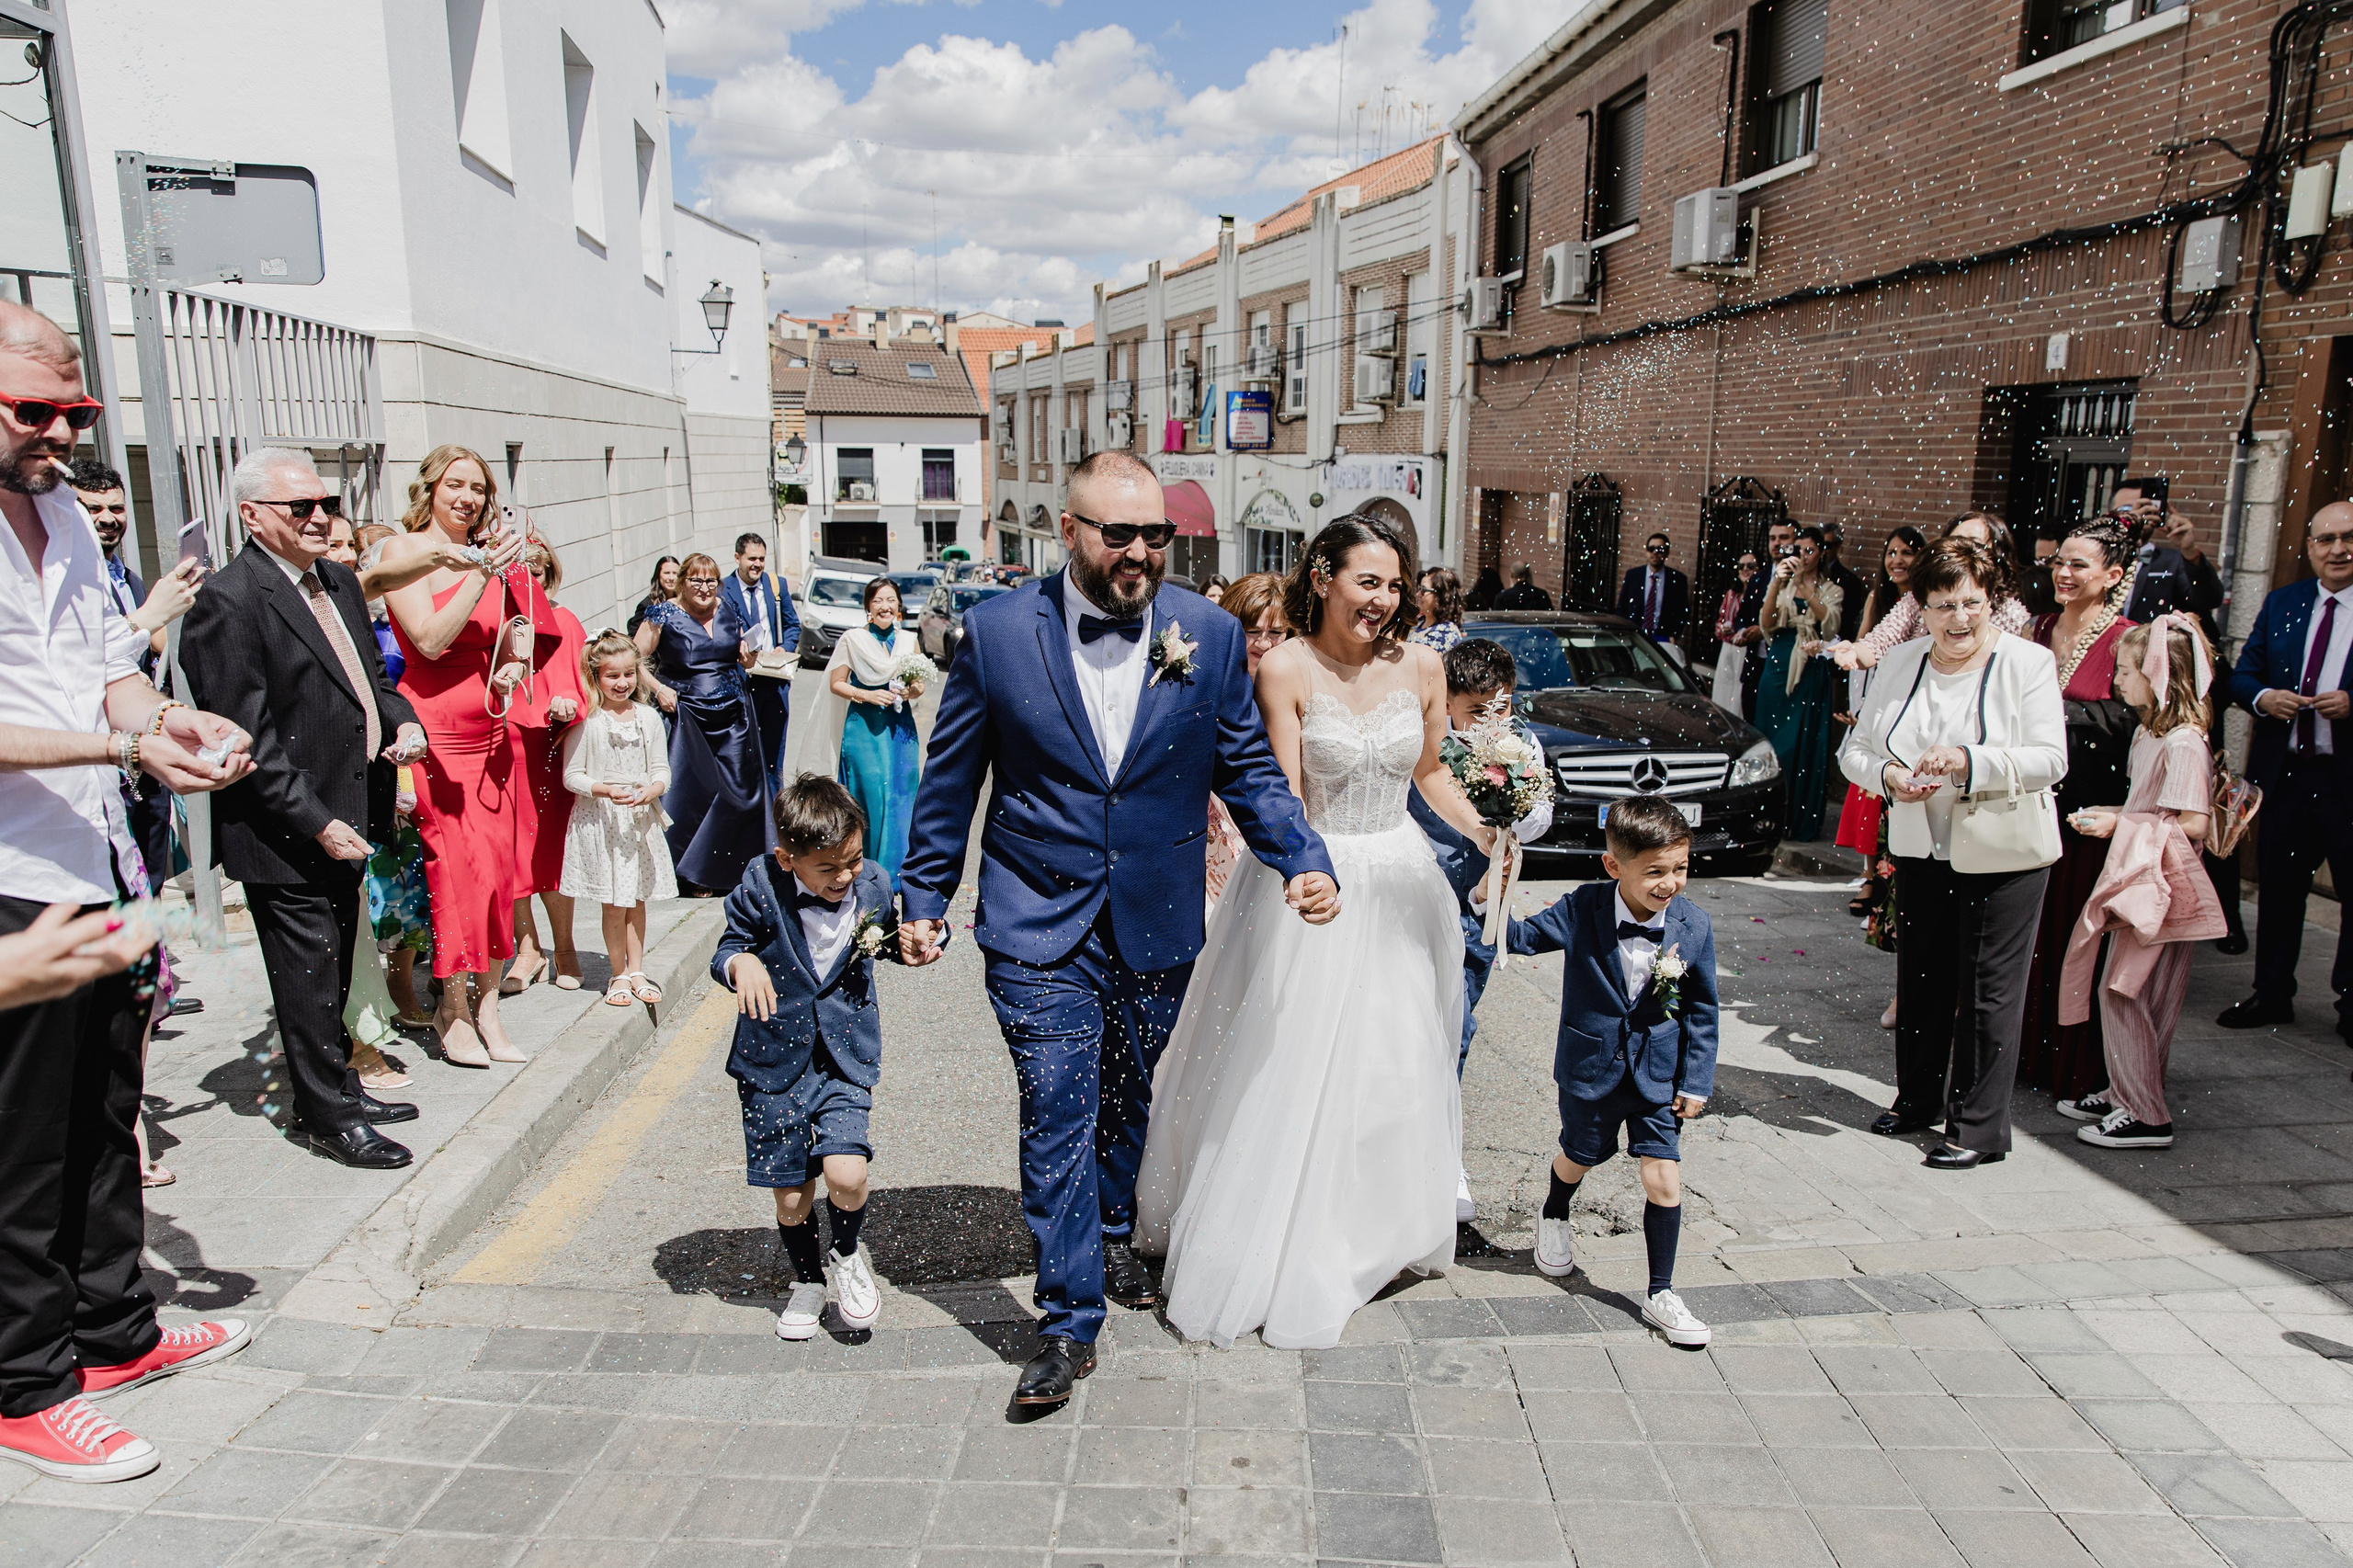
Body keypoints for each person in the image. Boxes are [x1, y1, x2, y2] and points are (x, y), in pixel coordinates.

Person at [898, 450, 1337, 1403]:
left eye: (1155, 534)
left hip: (1158, 913)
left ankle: (1102, 1231)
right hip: (1033, 916)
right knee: (1057, 1098)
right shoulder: (996, 631)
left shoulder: (1209, 635)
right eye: (1118, 533)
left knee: (1132, 1098)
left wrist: (1302, 856)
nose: (1139, 552)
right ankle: (1067, 1320)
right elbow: (950, 779)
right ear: (1069, 531)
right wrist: (924, 896)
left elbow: (1248, 768)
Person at [0, 302, 256, 1483]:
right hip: (10, 881)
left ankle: (113, 1332)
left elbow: (109, 668)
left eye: (75, 412)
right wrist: (120, 751)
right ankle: (23, 1383)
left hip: (99, 857)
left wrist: (164, 719)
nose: (59, 432)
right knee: (20, 1147)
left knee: (107, 1106)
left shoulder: (60, 509)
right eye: (32, 412)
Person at [1138, 512, 1495, 1351]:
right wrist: (1306, 872)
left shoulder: (1425, 666)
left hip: (1404, 883)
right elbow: (1283, 795)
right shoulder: (1289, 666)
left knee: (1397, 1056)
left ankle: (1379, 1228)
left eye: (1395, 584)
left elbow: (1432, 772)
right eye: (1367, 580)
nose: (1382, 599)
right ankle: (1291, 1234)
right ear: (1324, 575)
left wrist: (1487, 832)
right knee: (1296, 1064)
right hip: (1317, 885)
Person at [182, 446, 429, 1168]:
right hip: (288, 831)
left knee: (336, 969)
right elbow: (246, 739)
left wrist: (403, 717)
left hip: (350, 813)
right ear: (253, 517)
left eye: (327, 504)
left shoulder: (338, 583)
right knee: (308, 975)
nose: (321, 517)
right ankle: (326, 1115)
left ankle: (339, 1089)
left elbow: (368, 685)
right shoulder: (228, 601)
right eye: (302, 508)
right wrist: (318, 823)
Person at [1839, 537, 2064, 1169]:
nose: (1959, 619)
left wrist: (1972, 761)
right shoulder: (1902, 661)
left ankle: (1978, 1128)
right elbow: (1854, 752)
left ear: (1991, 601)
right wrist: (1889, 777)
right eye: (1943, 605)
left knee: (1988, 990)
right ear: (1923, 608)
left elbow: (2051, 759)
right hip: (1920, 843)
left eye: (1970, 603)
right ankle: (1916, 1101)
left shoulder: (2027, 664)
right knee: (1921, 979)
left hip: (2004, 850)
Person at [1511, 797, 1719, 1348]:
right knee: (1581, 1154)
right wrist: (1488, 894)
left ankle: (1661, 1292)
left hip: (1658, 1077)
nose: (1669, 883)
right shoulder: (1584, 907)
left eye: (1679, 868)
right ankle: (1554, 1213)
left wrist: (1696, 1081)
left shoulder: (1694, 925)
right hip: (1590, 1068)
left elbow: (1701, 1009)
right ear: (1614, 867)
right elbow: (1523, 939)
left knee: (1664, 1179)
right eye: (1654, 872)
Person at [379, 446, 548, 1067]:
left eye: (478, 488)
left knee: (499, 876)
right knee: (455, 875)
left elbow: (509, 634)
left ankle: (490, 1008)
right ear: (430, 488)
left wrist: (512, 661)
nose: (468, 498)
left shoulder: (493, 559)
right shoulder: (402, 553)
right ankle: (450, 1006)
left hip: (492, 735)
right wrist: (480, 571)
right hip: (435, 737)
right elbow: (427, 638)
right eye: (455, 485)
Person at [715, 778, 901, 1341]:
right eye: (828, 869)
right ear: (787, 858)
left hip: (844, 1056)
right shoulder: (760, 885)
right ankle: (807, 1279)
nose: (845, 877)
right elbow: (730, 945)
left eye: (853, 860)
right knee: (793, 1195)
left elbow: (884, 938)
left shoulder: (872, 884)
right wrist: (740, 964)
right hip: (773, 1062)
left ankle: (845, 1254)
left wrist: (910, 945)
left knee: (848, 1174)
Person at [2057, 615, 2227, 1149]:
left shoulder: (2183, 742)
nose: (2117, 682)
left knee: (2129, 993)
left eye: (2128, 671)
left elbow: (2193, 823)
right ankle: (2124, 1092)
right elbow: (2150, 807)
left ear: (2159, 676)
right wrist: (2113, 811)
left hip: (2164, 888)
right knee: (2125, 991)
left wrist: (2119, 824)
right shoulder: (2148, 733)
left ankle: (2147, 1114)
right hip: (2141, 878)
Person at [1407, 637, 1553, 1222]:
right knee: (1419, 1028)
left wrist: (1513, 810)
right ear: (1448, 702)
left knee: (1459, 1027)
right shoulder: (1430, 745)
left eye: (1501, 706)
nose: (1490, 720)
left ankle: (1445, 1153)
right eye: (1474, 710)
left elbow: (1542, 814)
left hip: (1478, 912)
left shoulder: (1524, 746)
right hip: (1421, 898)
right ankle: (1419, 1149)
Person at [2219, 500, 2353, 1042]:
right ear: (2310, 547)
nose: (2339, 549)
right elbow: (2241, 677)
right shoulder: (2284, 604)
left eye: (2349, 537)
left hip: (2346, 781)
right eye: (2326, 539)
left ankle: (2351, 1004)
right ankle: (2272, 992)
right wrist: (2265, 697)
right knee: (2277, 890)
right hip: (2287, 776)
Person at [2016, 518, 2134, 1098]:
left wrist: (2056, 716)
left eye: (2080, 564)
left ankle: (2076, 1064)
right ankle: (2022, 1055)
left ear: (2112, 575)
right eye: (2060, 561)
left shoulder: (2129, 640)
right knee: (2028, 935)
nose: (2064, 573)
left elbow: (2133, 721)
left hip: (2090, 814)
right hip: (2028, 804)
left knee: (2076, 938)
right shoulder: (2035, 629)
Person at [638, 552, 773, 896]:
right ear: (682, 582)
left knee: (742, 793)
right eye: (696, 580)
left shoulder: (728, 609)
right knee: (692, 793)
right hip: (686, 716)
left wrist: (748, 656)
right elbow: (633, 658)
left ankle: (729, 869)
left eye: (710, 580)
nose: (703, 587)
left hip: (733, 715)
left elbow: (744, 656)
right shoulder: (663, 613)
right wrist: (658, 687)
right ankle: (691, 873)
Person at [560, 631, 676, 1006]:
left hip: (637, 822)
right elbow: (572, 775)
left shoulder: (647, 717)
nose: (622, 683)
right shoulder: (589, 720)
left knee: (636, 899)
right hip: (604, 822)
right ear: (595, 676)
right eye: (612, 676)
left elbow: (662, 769)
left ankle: (638, 969)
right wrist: (604, 789)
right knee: (613, 903)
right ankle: (618, 973)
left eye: (629, 674)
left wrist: (653, 789)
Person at [506, 537, 586, 995]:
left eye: (536, 570)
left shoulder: (566, 620)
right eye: (519, 570)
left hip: (551, 753)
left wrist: (567, 706)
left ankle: (565, 947)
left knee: (552, 855)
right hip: (504, 748)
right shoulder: (498, 624)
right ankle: (528, 949)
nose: (528, 578)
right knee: (511, 852)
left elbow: (583, 690)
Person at [810, 578, 923, 887]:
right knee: (871, 792)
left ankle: (899, 874)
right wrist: (868, 694)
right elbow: (837, 683)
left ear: (899, 606)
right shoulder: (853, 639)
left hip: (900, 728)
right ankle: (865, 867)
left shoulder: (908, 640)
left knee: (901, 794)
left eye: (891, 600)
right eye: (878, 601)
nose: (885, 606)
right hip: (864, 726)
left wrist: (909, 691)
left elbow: (920, 684)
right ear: (868, 608)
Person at [1836, 512, 2032, 670]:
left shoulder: (2013, 615)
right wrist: (1855, 651)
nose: (1964, 551)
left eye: (1974, 543)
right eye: (1956, 542)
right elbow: (1883, 638)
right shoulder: (1919, 597)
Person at [1756, 526, 1843, 841]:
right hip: (1780, 659)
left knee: (1802, 744)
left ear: (1821, 553)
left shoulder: (1831, 588)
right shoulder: (1782, 582)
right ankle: (1768, 819)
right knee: (1775, 744)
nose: (1803, 557)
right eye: (1799, 550)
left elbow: (1829, 623)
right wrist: (1778, 583)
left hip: (1811, 665)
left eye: (1810, 551)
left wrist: (1806, 589)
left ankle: (1799, 819)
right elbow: (1766, 621)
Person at [1205, 572, 1288, 899]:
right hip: (1219, 824)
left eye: (1276, 632)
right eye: (1252, 631)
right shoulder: (1213, 684)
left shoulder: (1296, 690)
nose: (1264, 643)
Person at [720, 532, 801, 793]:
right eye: (751, 558)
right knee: (743, 751)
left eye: (762, 559)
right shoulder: (723, 589)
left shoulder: (777, 586)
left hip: (774, 681)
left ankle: (774, 809)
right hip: (742, 681)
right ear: (737, 558)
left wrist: (784, 647)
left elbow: (792, 626)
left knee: (774, 754)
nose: (757, 564)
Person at [2111, 478, 2223, 631]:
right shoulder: (2095, 559)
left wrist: (2190, 551)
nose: (2137, 514)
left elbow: (2209, 600)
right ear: (2110, 515)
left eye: (2146, 508)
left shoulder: (2174, 561)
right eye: (2126, 509)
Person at [1733, 518, 1798, 719]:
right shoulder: (1757, 578)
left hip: (1783, 667)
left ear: (1796, 542)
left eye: (1784, 537)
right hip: (1754, 665)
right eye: (1772, 538)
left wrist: (1764, 630)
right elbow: (1741, 616)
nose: (1777, 543)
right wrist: (1744, 632)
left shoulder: (1799, 580)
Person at [1617, 532, 1690, 652]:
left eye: (1660, 549)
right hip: (1635, 636)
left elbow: (1683, 611)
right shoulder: (1633, 576)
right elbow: (1622, 607)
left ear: (1667, 553)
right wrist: (1623, 632)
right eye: (1651, 549)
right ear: (1646, 552)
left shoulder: (1678, 579)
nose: (1655, 552)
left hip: (1663, 639)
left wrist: (1674, 635)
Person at [1710, 552, 1759, 712]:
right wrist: (1724, 629)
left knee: (1738, 691)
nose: (1745, 570)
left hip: (1746, 649)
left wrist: (1739, 632)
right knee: (1722, 688)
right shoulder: (1732, 594)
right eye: (1741, 566)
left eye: (1750, 566)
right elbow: (1720, 619)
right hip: (1727, 646)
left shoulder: (1759, 595)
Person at [1818, 522, 1869, 642]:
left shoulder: (1849, 581)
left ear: (1838, 546)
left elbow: (1845, 623)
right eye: (1819, 545)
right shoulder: (1801, 576)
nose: (1823, 551)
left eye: (1827, 546)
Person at [1411, 565, 1465, 651]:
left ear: (1440, 596)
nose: (1418, 594)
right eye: (1419, 589)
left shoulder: (1445, 634)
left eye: (1423, 590)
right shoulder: (1419, 622)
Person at [628, 555, 681, 638]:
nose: (671, 578)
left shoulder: (683, 601)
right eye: (666, 573)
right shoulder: (648, 604)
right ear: (658, 575)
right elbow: (633, 636)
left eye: (675, 573)